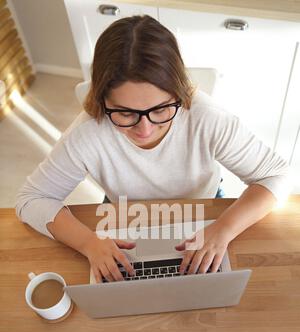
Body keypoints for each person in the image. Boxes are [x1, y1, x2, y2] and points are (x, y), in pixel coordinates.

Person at [15, 15, 290, 283]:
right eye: (124, 113)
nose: (144, 130)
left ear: (179, 93)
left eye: (160, 109)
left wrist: (223, 228)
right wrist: (88, 243)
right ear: (102, 100)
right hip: (123, 214)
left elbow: (277, 176)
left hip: (201, 209)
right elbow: (31, 200)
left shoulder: (206, 117)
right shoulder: (88, 132)